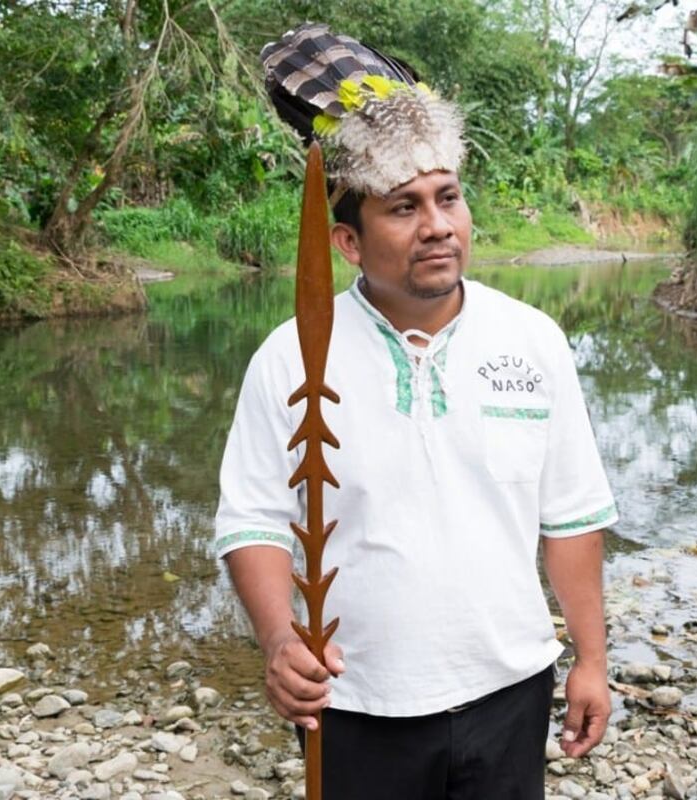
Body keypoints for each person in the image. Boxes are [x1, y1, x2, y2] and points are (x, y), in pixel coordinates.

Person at [213, 22, 620, 800]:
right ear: (349, 242)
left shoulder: (533, 341)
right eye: (403, 207)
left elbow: (570, 518)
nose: (438, 225)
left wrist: (591, 660)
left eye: (448, 197)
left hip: (512, 690)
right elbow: (253, 521)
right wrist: (277, 640)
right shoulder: (292, 354)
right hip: (356, 703)